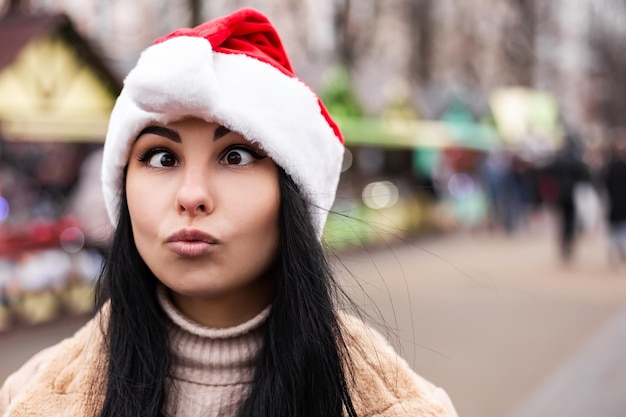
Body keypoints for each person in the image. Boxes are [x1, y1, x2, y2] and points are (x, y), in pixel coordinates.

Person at [0, 8, 458, 417]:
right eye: (162, 157)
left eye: (235, 156)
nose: (192, 196)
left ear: (293, 194)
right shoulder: (28, 396)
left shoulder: (404, 408)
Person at [602, 133, 626, 265]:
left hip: (618, 202)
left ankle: (619, 249)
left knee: (619, 228)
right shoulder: (609, 168)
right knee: (615, 228)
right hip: (614, 202)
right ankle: (615, 250)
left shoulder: (609, 168)